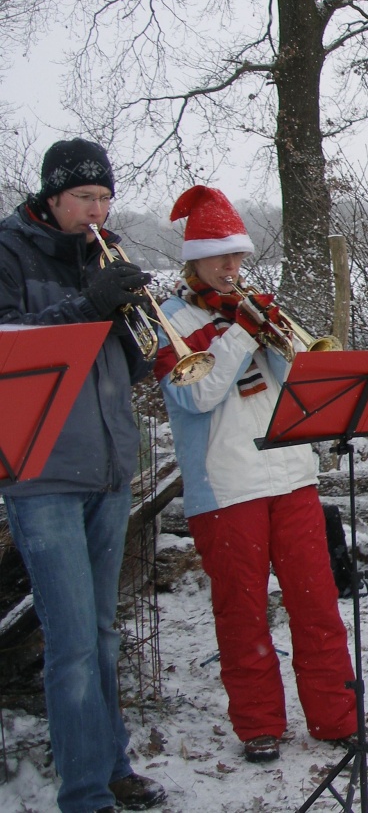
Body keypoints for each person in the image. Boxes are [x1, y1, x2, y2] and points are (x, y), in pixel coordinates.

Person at [154, 185, 357, 761]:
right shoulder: (171, 321)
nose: (231, 268)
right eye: (221, 257)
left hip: (291, 474)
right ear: (193, 257)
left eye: (238, 257)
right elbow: (197, 397)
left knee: (317, 605)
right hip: (226, 488)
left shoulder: (251, 306)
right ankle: (259, 725)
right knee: (242, 615)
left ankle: (335, 718)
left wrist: (278, 337)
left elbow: (304, 378)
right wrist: (243, 332)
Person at [0, 139, 166, 812]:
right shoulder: (10, 252)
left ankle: (112, 763)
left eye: (105, 198)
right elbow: (11, 347)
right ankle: (85, 792)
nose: (97, 211)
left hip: (106, 464)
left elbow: (127, 368)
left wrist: (140, 330)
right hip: (40, 468)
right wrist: (87, 308)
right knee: (69, 641)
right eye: (84, 199)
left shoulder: (110, 254)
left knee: (101, 632)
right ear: (52, 196)